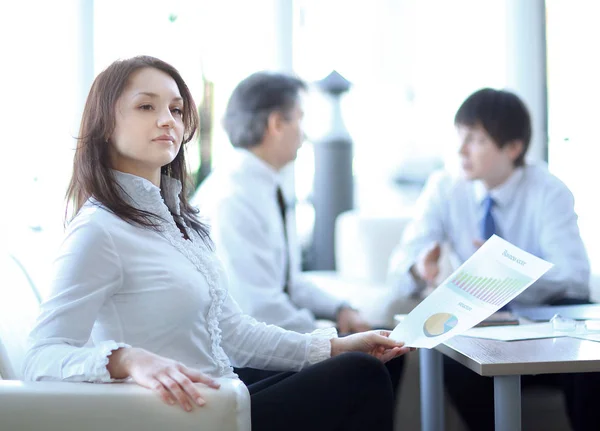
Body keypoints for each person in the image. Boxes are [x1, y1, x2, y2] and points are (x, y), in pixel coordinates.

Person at [22, 56, 412, 431]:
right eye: (146, 107)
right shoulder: (99, 229)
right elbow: (40, 356)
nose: (167, 120)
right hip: (184, 416)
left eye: (176, 110)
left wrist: (334, 346)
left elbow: (234, 332)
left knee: (365, 361)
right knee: (361, 376)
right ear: (105, 125)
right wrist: (126, 359)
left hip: (222, 395)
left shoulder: (179, 222)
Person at [388, 88, 598, 430]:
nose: (461, 150)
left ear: (513, 148)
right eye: (460, 137)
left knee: (585, 359)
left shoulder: (549, 191)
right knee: (456, 366)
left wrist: (509, 272)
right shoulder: (444, 188)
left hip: (542, 325)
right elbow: (399, 269)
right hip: (484, 323)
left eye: (476, 140)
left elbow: (574, 277)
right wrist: (418, 267)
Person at [193, 71, 405, 390]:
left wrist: (340, 310)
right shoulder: (233, 198)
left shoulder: (266, 186)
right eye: (300, 120)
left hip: (265, 338)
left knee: (387, 348)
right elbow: (261, 309)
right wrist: (331, 335)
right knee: (371, 365)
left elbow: (289, 282)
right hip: (242, 361)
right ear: (277, 124)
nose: (304, 136)